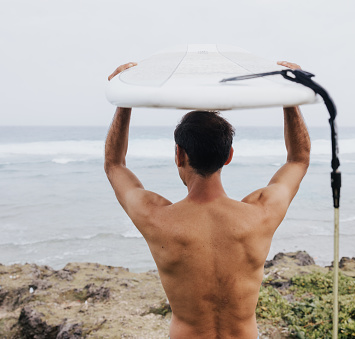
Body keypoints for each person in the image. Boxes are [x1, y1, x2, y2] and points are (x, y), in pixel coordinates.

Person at [104, 61, 311, 339]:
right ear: (228, 155)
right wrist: (291, 97)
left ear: (179, 155)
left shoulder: (157, 218)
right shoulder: (260, 213)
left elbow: (114, 165)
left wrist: (124, 99)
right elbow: (299, 159)